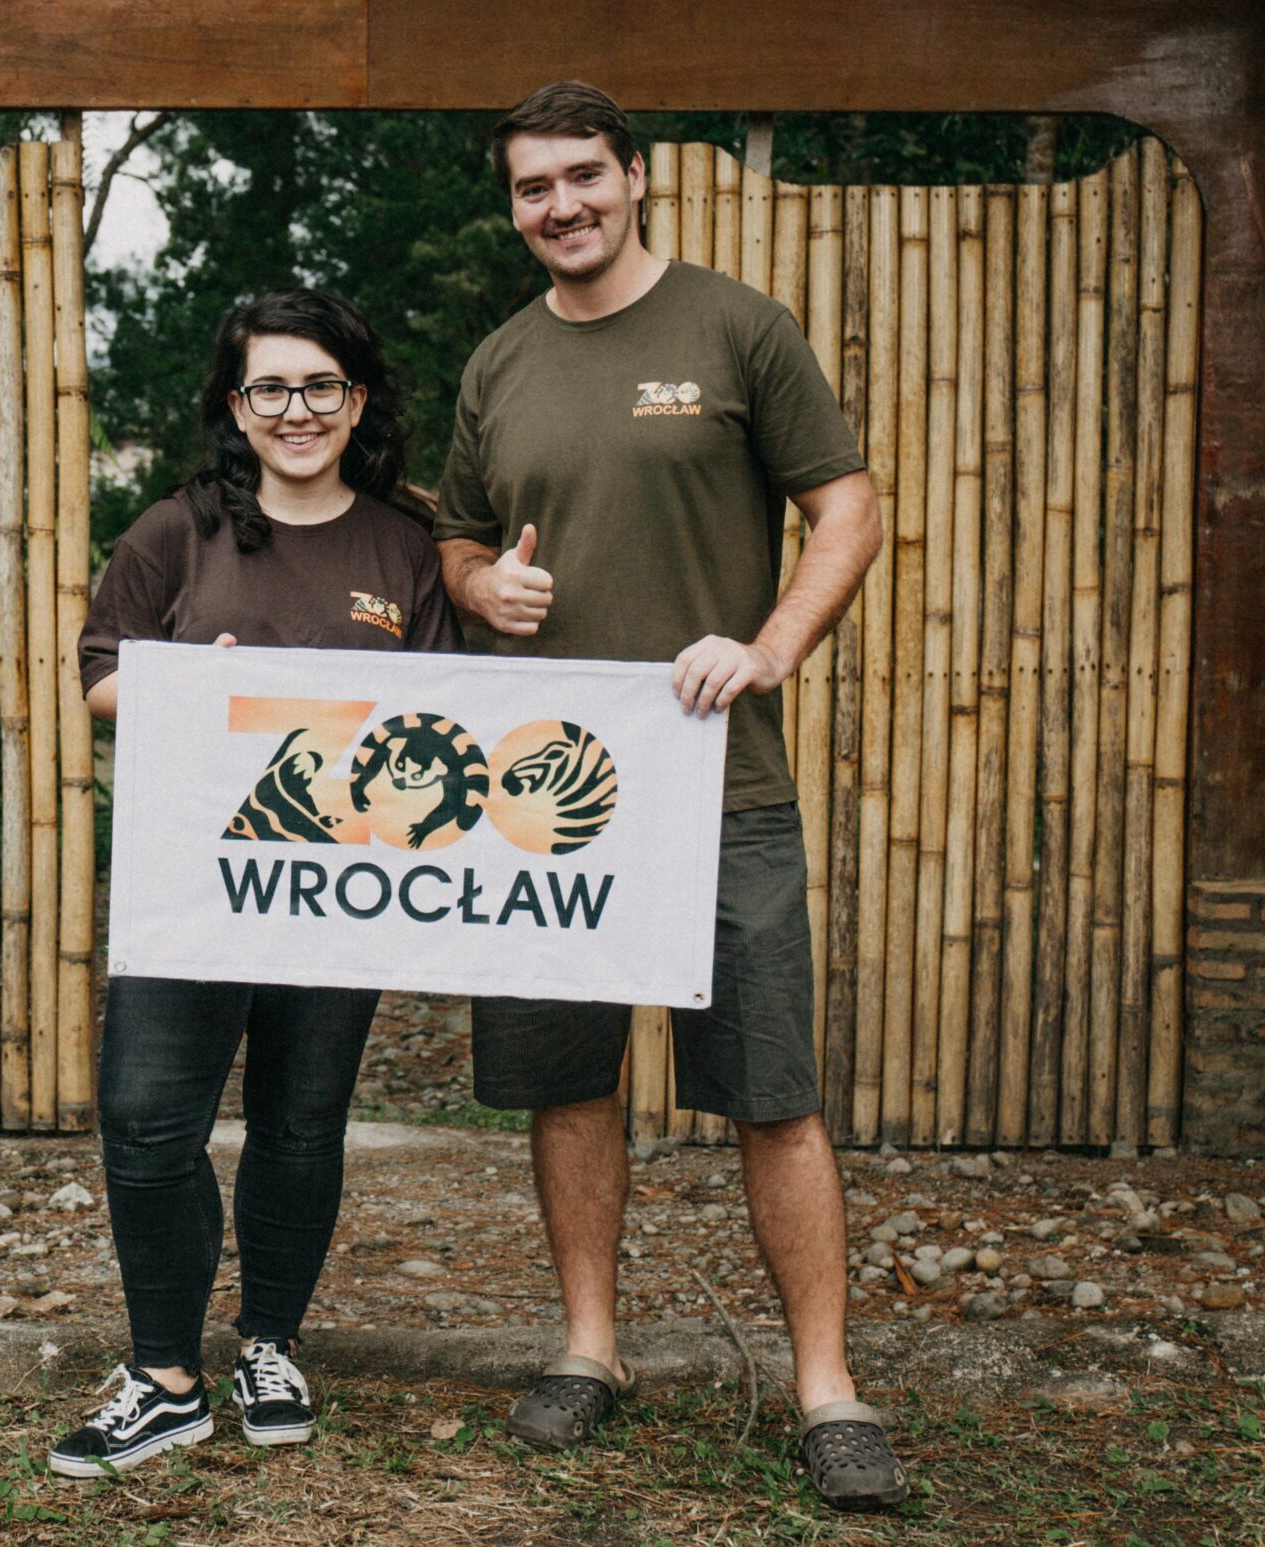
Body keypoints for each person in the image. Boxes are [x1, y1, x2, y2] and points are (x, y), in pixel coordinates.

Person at [432, 82, 903, 1510]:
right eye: (533, 187)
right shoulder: (499, 362)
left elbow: (850, 505)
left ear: (634, 176)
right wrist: (479, 584)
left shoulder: (734, 327)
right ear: (512, 205)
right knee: (570, 1083)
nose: (561, 205)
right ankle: (591, 1349)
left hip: (718, 780)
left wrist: (770, 645)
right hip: (543, 798)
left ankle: (827, 1384)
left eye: (584, 175)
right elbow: (454, 539)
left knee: (773, 1090)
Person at [55, 288, 460, 1478]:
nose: (295, 409)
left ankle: (269, 1341)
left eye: (319, 385)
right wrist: (185, 682)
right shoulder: (173, 532)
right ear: (237, 406)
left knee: (298, 1124)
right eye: (268, 388)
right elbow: (96, 681)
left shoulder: (401, 547)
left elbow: (441, 717)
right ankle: (164, 1375)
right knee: (145, 1122)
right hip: (193, 882)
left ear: (358, 399)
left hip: (341, 888)